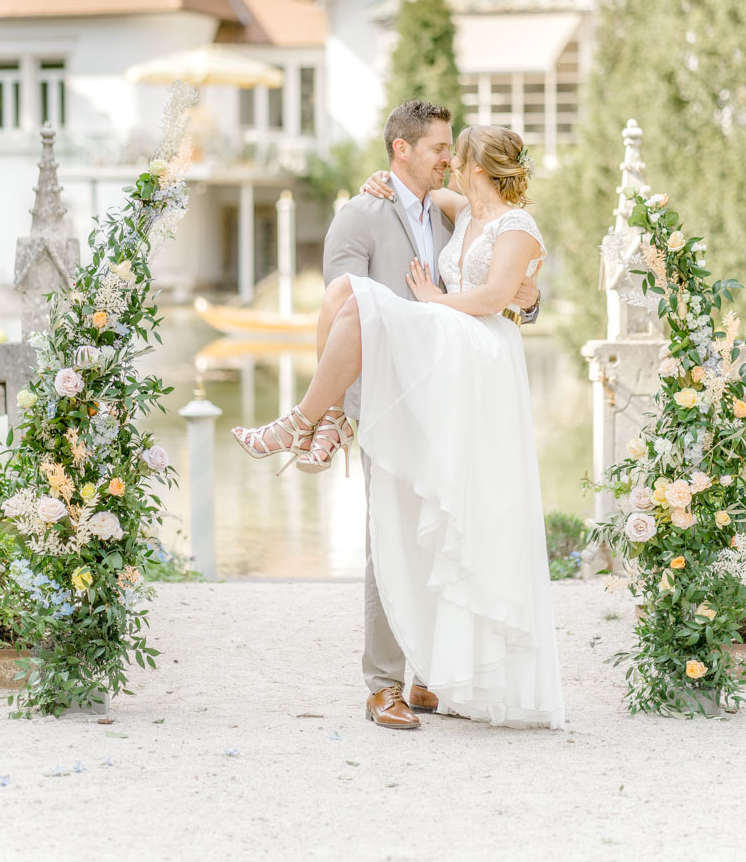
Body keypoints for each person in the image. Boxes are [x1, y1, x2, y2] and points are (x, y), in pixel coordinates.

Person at [232, 107, 564, 731]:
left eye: (453, 150)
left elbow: (505, 283)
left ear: (474, 166)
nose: (446, 159)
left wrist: (528, 296)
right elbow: (337, 309)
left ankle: (435, 675)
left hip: (462, 384)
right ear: (401, 150)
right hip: (392, 391)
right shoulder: (364, 212)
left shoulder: (453, 211)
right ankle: (383, 684)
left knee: (449, 528)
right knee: (388, 533)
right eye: (438, 148)